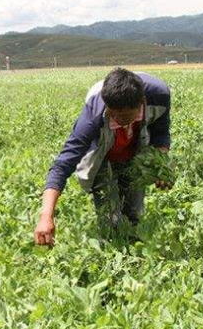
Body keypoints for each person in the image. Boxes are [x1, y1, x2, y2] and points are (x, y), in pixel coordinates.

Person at [34, 68, 172, 246]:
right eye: (112, 114)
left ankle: (133, 246)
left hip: (135, 150)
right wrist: (46, 216)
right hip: (103, 155)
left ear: (142, 102)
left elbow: (161, 133)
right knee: (111, 220)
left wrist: (160, 164)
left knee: (134, 214)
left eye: (124, 117)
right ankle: (114, 248)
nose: (116, 119)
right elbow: (63, 164)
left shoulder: (159, 96)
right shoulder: (93, 116)